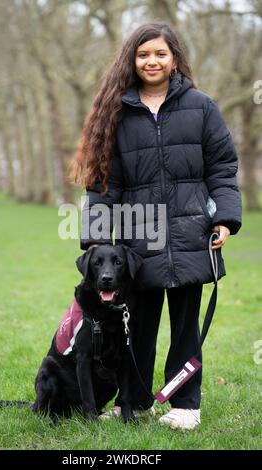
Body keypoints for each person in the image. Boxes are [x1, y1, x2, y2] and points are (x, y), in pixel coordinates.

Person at [68, 22, 242, 430]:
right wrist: (95, 238)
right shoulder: (116, 113)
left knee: (185, 326)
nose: (152, 61)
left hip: (190, 234)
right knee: (137, 329)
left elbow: (222, 167)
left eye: (160, 53)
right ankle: (137, 400)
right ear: (132, 60)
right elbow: (102, 182)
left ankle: (184, 405)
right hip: (139, 240)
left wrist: (225, 219)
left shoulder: (201, 106)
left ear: (175, 58)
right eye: (144, 54)